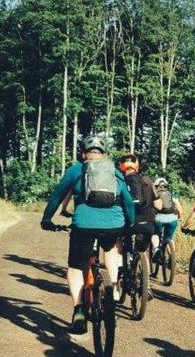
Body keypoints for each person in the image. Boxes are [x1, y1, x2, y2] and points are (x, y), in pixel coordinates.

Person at [40, 134, 135, 334]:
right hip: (113, 225)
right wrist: (130, 222)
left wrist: (47, 219)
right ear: (104, 154)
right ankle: (112, 288)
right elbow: (127, 200)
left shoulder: (76, 169)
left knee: (75, 267)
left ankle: (79, 312)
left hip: (83, 225)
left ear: (84, 154)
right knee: (110, 249)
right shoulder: (115, 171)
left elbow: (57, 197)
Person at [116, 153, 158, 263]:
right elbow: (159, 205)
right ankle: (142, 263)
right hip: (148, 223)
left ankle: (121, 265)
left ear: (121, 166)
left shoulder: (120, 181)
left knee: (120, 238)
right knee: (142, 249)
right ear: (137, 166)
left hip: (128, 223)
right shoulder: (147, 181)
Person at [151, 177, 182, 256]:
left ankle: (156, 249)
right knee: (169, 238)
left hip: (159, 219)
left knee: (155, 234)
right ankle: (172, 258)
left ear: (156, 186)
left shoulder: (155, 195)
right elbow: (179, 207)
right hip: (173, 219)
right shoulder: (172, 194)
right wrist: (178, 217)